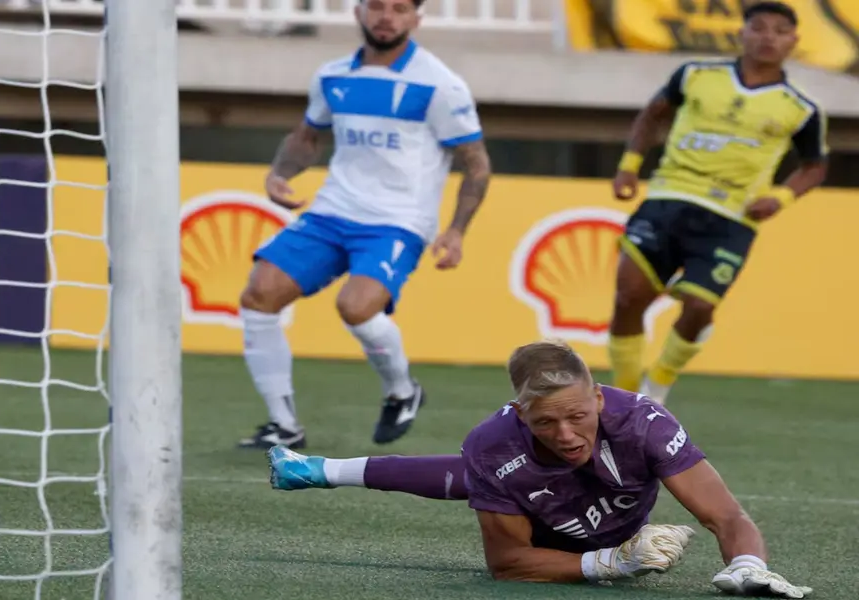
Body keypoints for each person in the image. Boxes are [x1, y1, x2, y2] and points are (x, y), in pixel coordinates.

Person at [266, 340, 813, 597]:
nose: (567, 434)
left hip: (606, 515)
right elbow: (506, 564)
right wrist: (614, 565)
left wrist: (746, 566)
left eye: (578, 415)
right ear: (520, 411)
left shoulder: (645, 422)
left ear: (599, 398)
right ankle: (317, 469)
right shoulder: (494, 444)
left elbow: (724, 514)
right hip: (552, 539)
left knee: (466, 473)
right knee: (471, 470)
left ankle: (316, 468)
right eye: (547, 422)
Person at [236, 0, 492, 450]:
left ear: (416, 18)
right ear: (358, 12)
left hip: (397, 222)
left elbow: (476, 164)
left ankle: (402, 391)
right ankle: (284, 426)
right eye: (376, 6)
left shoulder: (439, 84)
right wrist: (280, 173)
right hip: (332, 212)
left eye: (398, 8)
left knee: (356, 307)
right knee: (259, 295)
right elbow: (306, 136)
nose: (386, 16)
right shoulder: (332, 75)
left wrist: (455, 231)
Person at [607, 1, 829, 405]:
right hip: (667, 198)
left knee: (698, 305)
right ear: (741, 33)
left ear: (793, 41)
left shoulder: (800, 109)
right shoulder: (695, 75)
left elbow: (815, 167)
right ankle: (624, 397)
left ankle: (657, 386)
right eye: (758, 28)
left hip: (730, 217)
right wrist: (629, 165)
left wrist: (779, 198)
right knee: (628, 297)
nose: (768, 37)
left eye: (780, 31)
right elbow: (652, 115)